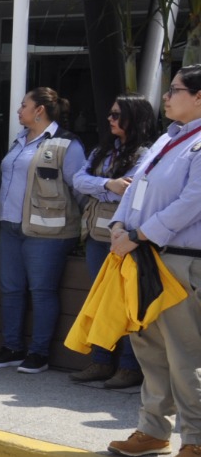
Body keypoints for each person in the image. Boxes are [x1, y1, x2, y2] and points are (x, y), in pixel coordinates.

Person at [105, 66, 201, 457]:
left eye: (175, 90)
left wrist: (140, 234)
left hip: (178, 258)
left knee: (185, 353)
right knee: (149, 348)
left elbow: (192, 201)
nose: (166, 96)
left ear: (198, 97)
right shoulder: (168, 138)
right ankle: (153, 431)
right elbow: (135, 186)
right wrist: (118, 225)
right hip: (144, 256)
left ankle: (195, 439)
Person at [0, 86, 87, 373]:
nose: (18, 110)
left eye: (23, 105)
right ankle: (12, 347)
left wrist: (80, 227)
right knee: (11, 290)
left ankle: (39, 352)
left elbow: (79, 188)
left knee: (42, 291)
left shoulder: (67, 144)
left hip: (48, 233)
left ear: (39, 110)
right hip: (11, 227)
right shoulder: (19, 140)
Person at [72, 94, 159, 389]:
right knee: (101, 300)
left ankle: (129, 367)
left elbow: (133, 190)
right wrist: (108, 185)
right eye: (109, 113)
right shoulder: (101, 150)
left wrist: (101, 188)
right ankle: (101, 361)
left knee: (126, 303)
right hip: (96, 237)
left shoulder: (147, 153)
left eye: (116, 114)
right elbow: (77, 179)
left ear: (134, 118)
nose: (109, 119)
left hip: (127, 237)